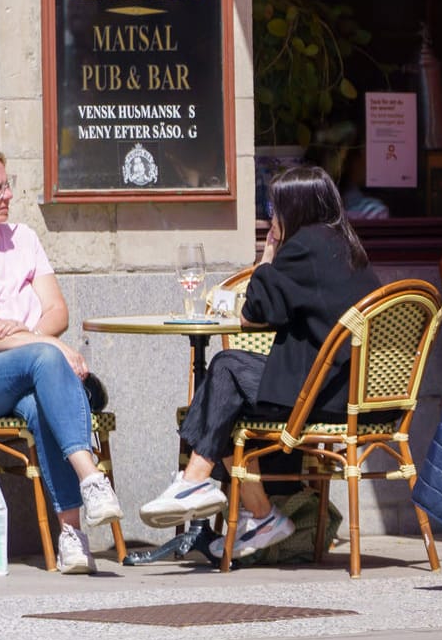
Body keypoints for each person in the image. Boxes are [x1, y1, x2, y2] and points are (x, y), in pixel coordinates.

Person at [139, 165, 383, 560]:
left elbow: (254, 312)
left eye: (275, 206)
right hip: (356, 393)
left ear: (296, 207)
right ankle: (257, 512)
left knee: (225, 369)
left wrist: (268, 254)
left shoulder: (304, 246)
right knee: (224, 396)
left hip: (324, 397)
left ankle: (198, 481)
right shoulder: (342, 246)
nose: (271, 216)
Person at [0, 145, 123, 574]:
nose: (8, 196)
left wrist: (28, 336)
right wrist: (46, 344)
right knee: (46, 359)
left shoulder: (24, 240)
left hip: (31, 373)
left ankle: (71, 535)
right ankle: (91, 478)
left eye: (7, 185)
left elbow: (57, 312)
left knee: (41, 401)